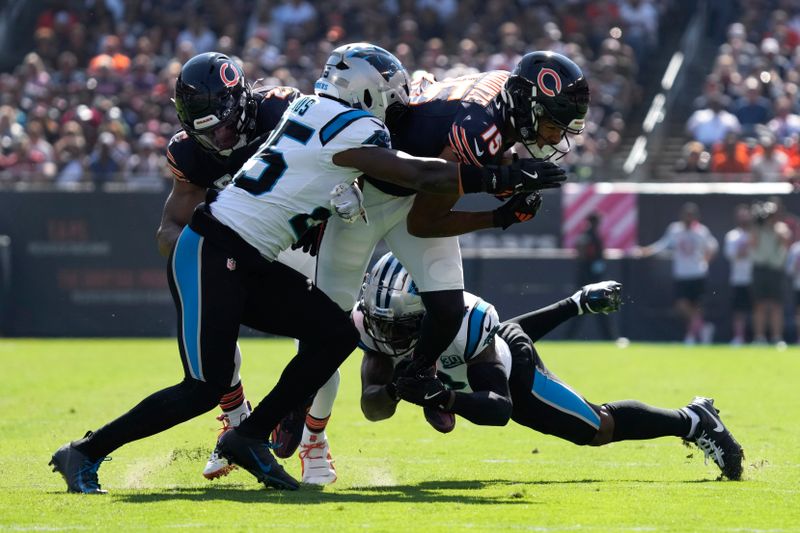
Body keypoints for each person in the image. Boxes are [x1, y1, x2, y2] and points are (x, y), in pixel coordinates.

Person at [49, 44, 565, 494]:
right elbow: (416, 172)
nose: (399, 101)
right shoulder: (355, 126)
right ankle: (86, 451)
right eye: (391, 91)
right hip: (214, 250)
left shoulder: (306, 109)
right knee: (201, 387)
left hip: (246, 257)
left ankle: (250, 435)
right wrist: (503, 173)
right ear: (370, 92)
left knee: (335, 333)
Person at [271, 49, 589, 482]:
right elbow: (427, 221)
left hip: (410, 189)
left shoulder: (501, 97)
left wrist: (508, 172)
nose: (555, 138)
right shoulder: (480, 130)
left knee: (447, 308)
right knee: (327, 328)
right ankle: (300, 419)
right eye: (552, 124)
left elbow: (461, 160)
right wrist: (499, 215)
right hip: (367, 197)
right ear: (528, 107)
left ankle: (419, 372)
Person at [357, 253, 744, 481]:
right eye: (381, 322)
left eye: (400, 326)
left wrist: (444, 397)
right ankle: (575, 302)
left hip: (511, 370)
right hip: (475, 356)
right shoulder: (375, 329)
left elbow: (499, 407)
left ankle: (693, 419)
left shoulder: (468, 325)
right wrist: (394, 391)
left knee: (597, 429)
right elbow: (372, 408)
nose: (387, 335)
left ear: (433, 315)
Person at [154, 52, 317, 480]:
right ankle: (238, 421)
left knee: (327, 333)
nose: (220, 139)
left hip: (302, 236)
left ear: (242, 102)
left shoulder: (284, 112)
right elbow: (169, 229)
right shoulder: (190, 153)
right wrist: (204, 251)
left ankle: (314, 442)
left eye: (225, 126)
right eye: (206, 131)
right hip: (238, 249)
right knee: (213, 338)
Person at [637, 202, 719, 345]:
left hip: (697, 274)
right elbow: (663, 245)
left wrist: (706, 260)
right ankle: (703, 328)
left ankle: (691, 336)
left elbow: (713, 246)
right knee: (681, 306)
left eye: (691, 215)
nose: (688, 218)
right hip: (681, 274)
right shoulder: (675, 230)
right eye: (686, 215)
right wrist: (647, 251)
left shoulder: (701, 231)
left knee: (696, 307)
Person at [566, 212, 617, 340]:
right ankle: (610, 337)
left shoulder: (588, 235)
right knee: (597, 308)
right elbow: (583, 255)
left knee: (584, 309)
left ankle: (568, 337)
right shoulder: (588, 236)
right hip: (590, 280)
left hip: (588, 279)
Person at [749, 200, 791, 345]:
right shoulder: (757, 228)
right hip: (760, 268)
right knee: (759, 304)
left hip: (775, 269)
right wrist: (757, 221)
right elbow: (753, 242)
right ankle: (759, 337)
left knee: (776, 305)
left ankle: (776, 337)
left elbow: (784, 239)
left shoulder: (781, 227)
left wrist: (773, 226)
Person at [724, 204, 753, 346]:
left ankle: (760, 337)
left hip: (755, 277)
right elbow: (731, 255)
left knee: (758, 307)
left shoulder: (755, 234)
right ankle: (739, 337)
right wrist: (745, 251)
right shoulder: (732, 235)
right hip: (739, 278)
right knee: (739, 310)